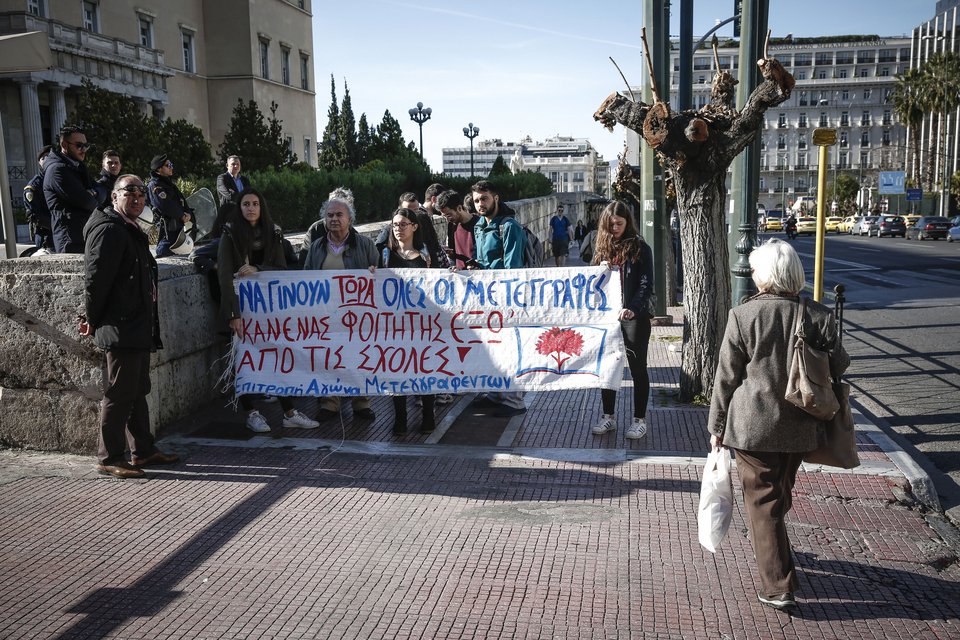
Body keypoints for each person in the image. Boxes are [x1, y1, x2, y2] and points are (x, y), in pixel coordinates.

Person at [708, 239, 850, 614]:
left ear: (766, 275)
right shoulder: (818, 316)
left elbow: (726, 377)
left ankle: (778, 586)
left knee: (764, 503)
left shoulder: (744, 315)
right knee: (778, 495)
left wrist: (716, 425)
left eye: (755, 270)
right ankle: (778, 555)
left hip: (752, 426)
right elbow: (840, 365)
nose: (752, 276)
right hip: (802, 424)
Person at [80, 174, 179, 478]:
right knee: (119, 392)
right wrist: (93, 320)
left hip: (137, 324)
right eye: (128, 193)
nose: (136, 198)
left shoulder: (128, 228)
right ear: (114, 197)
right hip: (120, 326)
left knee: (137, 390)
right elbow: (96, 281)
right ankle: (109, 457)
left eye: (140, 194)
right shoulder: (109, 230)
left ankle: (143, 451)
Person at [218, 188, 319, 433]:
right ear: (239, 208)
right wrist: (233, 315)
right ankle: (251, 412)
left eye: (255, 204)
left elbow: (281, 269)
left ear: (261, 207)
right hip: (242, 308)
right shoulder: (230, 234)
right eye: (245, 204)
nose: (250, 208)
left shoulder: (274, 233)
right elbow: (223, 275)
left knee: (276, 357)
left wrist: (257, 268)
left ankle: (289, 412)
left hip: (269, 309)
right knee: (243, 360)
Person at [304, 188, 379, 422]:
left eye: (339, 215)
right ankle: (330, 403)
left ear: (350, 219)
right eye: (329, 216)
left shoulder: (365, 245)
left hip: (358, 315)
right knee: (328, 356)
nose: (334, 219)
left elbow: (382, 277)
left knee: (359, 357)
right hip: (326, 315)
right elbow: (305, 279)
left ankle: (361, 403)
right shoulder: (316, 247)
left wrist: (374, 274)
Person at [589, 201, 653, 440]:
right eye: (611, 224)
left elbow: (646, 284)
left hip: (634, 318)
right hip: (608, 318)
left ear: (628, 223)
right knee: (608, 367)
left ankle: (639, 420)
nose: (615, 228)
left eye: (619, 223)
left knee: (638, 369)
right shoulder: (601, 248)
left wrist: (632, 309)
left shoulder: (640, 248)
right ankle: (608, 417)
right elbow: (590, 280)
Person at [469, 179, 527, 418]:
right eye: (476, 200)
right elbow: (484, 261)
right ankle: (495, 393)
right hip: (486, 296)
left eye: (484, 198)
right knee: (492, 347)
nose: (480, 204)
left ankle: (513, 399)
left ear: (495, 198)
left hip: (505, 296)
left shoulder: (509, 226)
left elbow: (513, 267)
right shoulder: (479, 226)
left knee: (509, 347)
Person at [378, 207, 438, 434]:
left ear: (414, 227)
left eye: (403, 224)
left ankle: (427, 415)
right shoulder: (384, 255)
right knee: (396, 369)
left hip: (422, 324)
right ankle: (400, 417)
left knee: (425, 368)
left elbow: (441, 283)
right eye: (394, 225)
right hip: (394, 325)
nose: (398, 229)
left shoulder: (426, 255)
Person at [43, 125, 100, 253]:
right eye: (79, 145)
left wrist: (94, 193)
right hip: (70, 239)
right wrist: (92, 195)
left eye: (86, 146)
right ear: (64, 145)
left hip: (85, 234)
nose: (83, 150)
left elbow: (100, 191)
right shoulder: (57, 170)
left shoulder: (78, 167)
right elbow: (88, 202)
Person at [147, 153, 195, 258]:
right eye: (168, 165)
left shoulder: (169, 184)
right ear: (159, 169)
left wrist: (188, 214)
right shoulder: (155, 186)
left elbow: (181, 200)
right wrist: (181, 215)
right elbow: (165, 204)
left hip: (178, 228)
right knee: (164, 254)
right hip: (167, 230)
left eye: (171, 165)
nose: (171, 167)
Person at [437, 189, 479, 269]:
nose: (447, 219)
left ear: (459, 208)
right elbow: (453, 255)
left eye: (449, 215)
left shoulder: (479, 223)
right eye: (444, 216)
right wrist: (450, 253)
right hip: (460, 275)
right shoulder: (452, 225)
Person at [23, 145, 55, 250]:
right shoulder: (34, 186)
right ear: (39, 163)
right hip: (46, 236)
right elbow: (34, 215)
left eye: (49, 156)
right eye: (43, 158)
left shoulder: (60, 180)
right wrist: (56, 224)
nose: (46, 160)